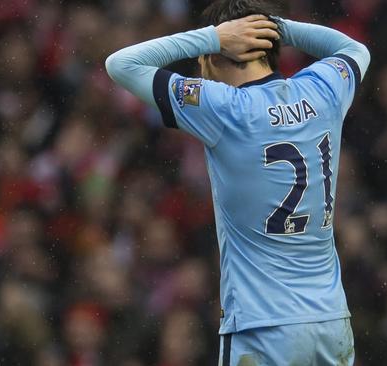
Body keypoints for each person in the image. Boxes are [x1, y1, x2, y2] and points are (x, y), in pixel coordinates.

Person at [105, 0, 370, 364]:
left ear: (217, 54)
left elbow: (120, 64)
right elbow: (355, 49)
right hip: (330, 319)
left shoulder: (223, 107)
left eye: (202, 56)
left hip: (262, 327)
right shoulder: (322, 90)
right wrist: (277, 27)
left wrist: (212, 36)